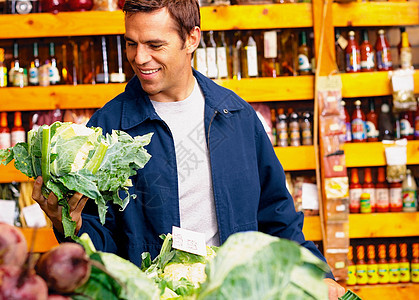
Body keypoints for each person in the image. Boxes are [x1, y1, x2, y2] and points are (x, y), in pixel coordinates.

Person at [32, 0, 345, 298]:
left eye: (155, 45)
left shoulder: (235, 116)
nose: (139, 58)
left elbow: (277, 216)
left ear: (192, 38)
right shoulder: (107, 128)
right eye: (131, 43)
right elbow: (100, 251)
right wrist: (65, 223)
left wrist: (320, 275)